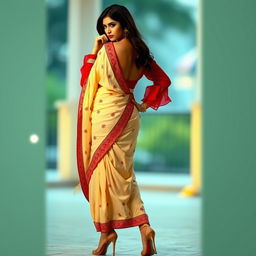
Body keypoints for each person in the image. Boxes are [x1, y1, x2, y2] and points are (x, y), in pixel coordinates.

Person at [76, 4, 172, 256]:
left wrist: (93, 53)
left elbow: (86, 82)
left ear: (125, 24)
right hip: (128, 114)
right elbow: (163, 81)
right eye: (105, 27)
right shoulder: (141, 52)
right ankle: (144, 228)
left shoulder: (106, 52)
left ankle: (106, 233)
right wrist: (145, 104)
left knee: (103, 177)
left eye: (112, 25)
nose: (107, 31)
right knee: (124, 176)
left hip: (105, 117)